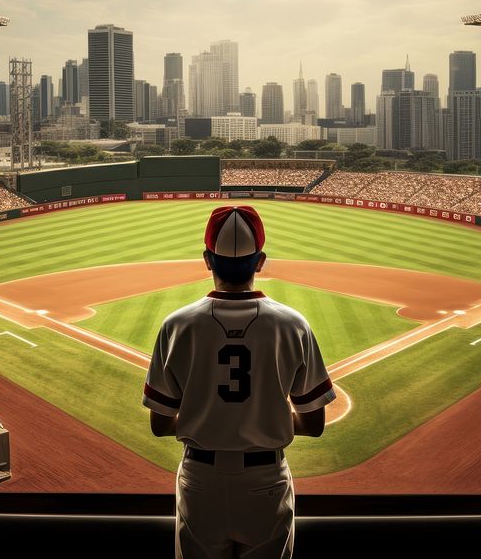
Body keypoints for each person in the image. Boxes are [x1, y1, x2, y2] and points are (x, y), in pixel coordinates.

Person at [143, 205, 336, 558]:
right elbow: (314, 423)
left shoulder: (176, 326)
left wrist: (213, 418)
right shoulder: (293, 325)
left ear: (207, 259)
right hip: (266, 484)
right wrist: (259, 418)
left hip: (200, 483)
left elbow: (159, 424)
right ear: (260, 261)